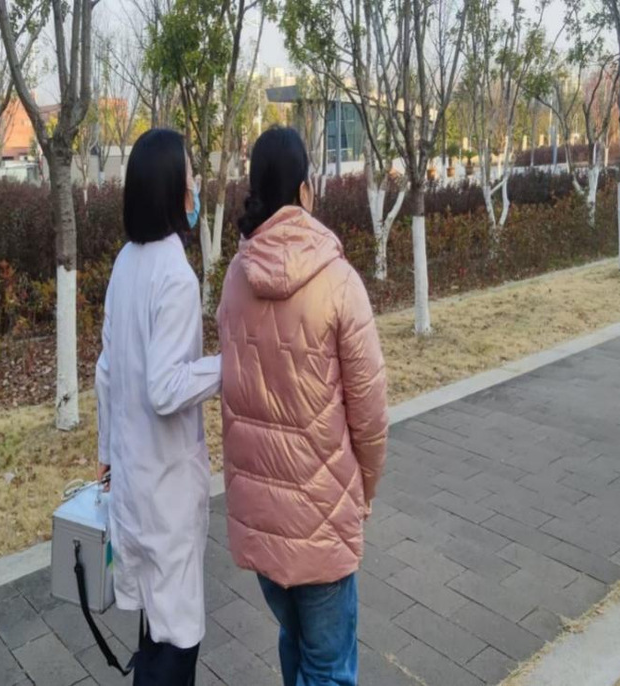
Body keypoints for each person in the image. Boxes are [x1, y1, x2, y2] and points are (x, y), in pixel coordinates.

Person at [216, 126, 388, 686]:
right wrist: (364, 489)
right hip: (322, 515)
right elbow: (370, 412)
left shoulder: (235, 279)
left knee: (295, 643)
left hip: (261, 518)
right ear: (305, 190)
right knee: (329, 666)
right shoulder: (338, 281)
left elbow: (232, 398)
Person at [94, 128, 221, 685]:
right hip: (166, 487)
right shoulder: (175, 276)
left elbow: (105, 372)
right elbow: (166, 388)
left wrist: (106, 455)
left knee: (153, 624)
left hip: (133, 479)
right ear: (172, 188)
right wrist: (229, 365)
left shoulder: (126, 263)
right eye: (190, 174)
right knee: (177, 638)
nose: (196, 184)